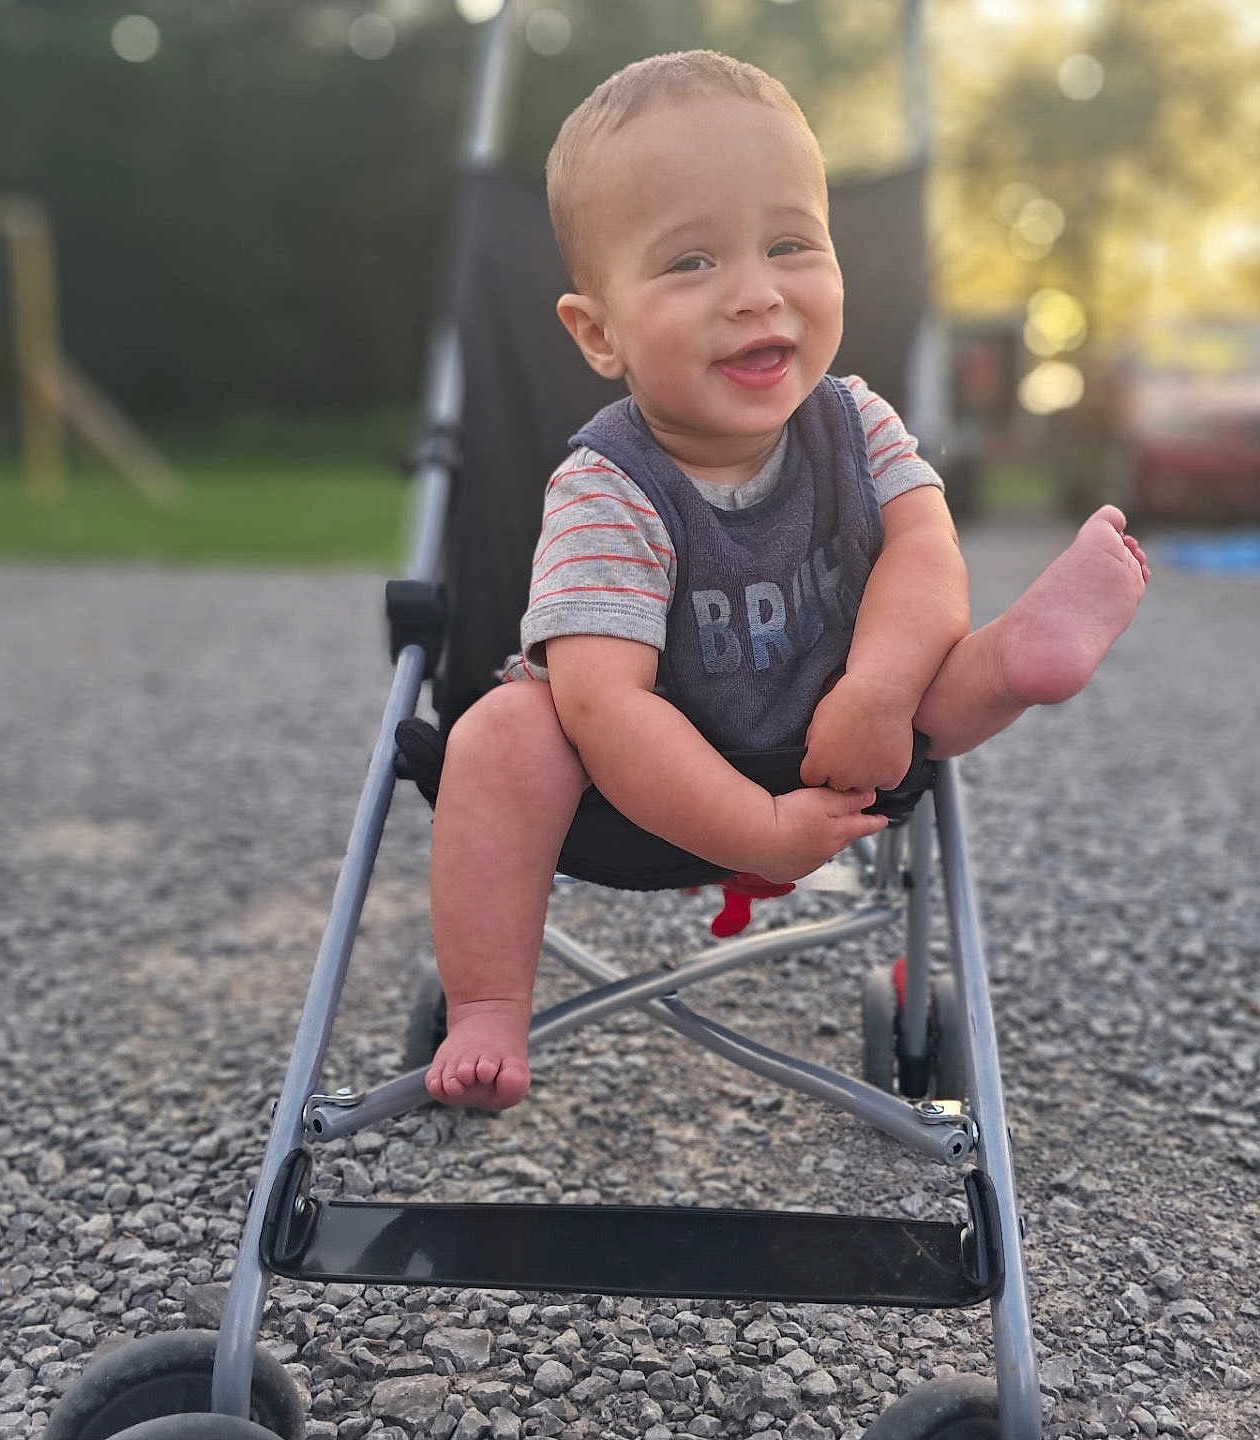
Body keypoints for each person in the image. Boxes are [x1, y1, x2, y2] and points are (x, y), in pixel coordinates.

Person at [425, 50, 1148, 1110]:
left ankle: (1024, 656)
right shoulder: (607, 487)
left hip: (845, 732)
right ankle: (487, 1004)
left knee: (940, 659)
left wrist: (879, 688)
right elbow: (605, 702)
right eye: (690, 265)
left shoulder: (856, 422)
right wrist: (758, 835)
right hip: (637, 782)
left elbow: (922, 553)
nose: (756, 293)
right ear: (598, 332)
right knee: (503, 734)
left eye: (790, 245)